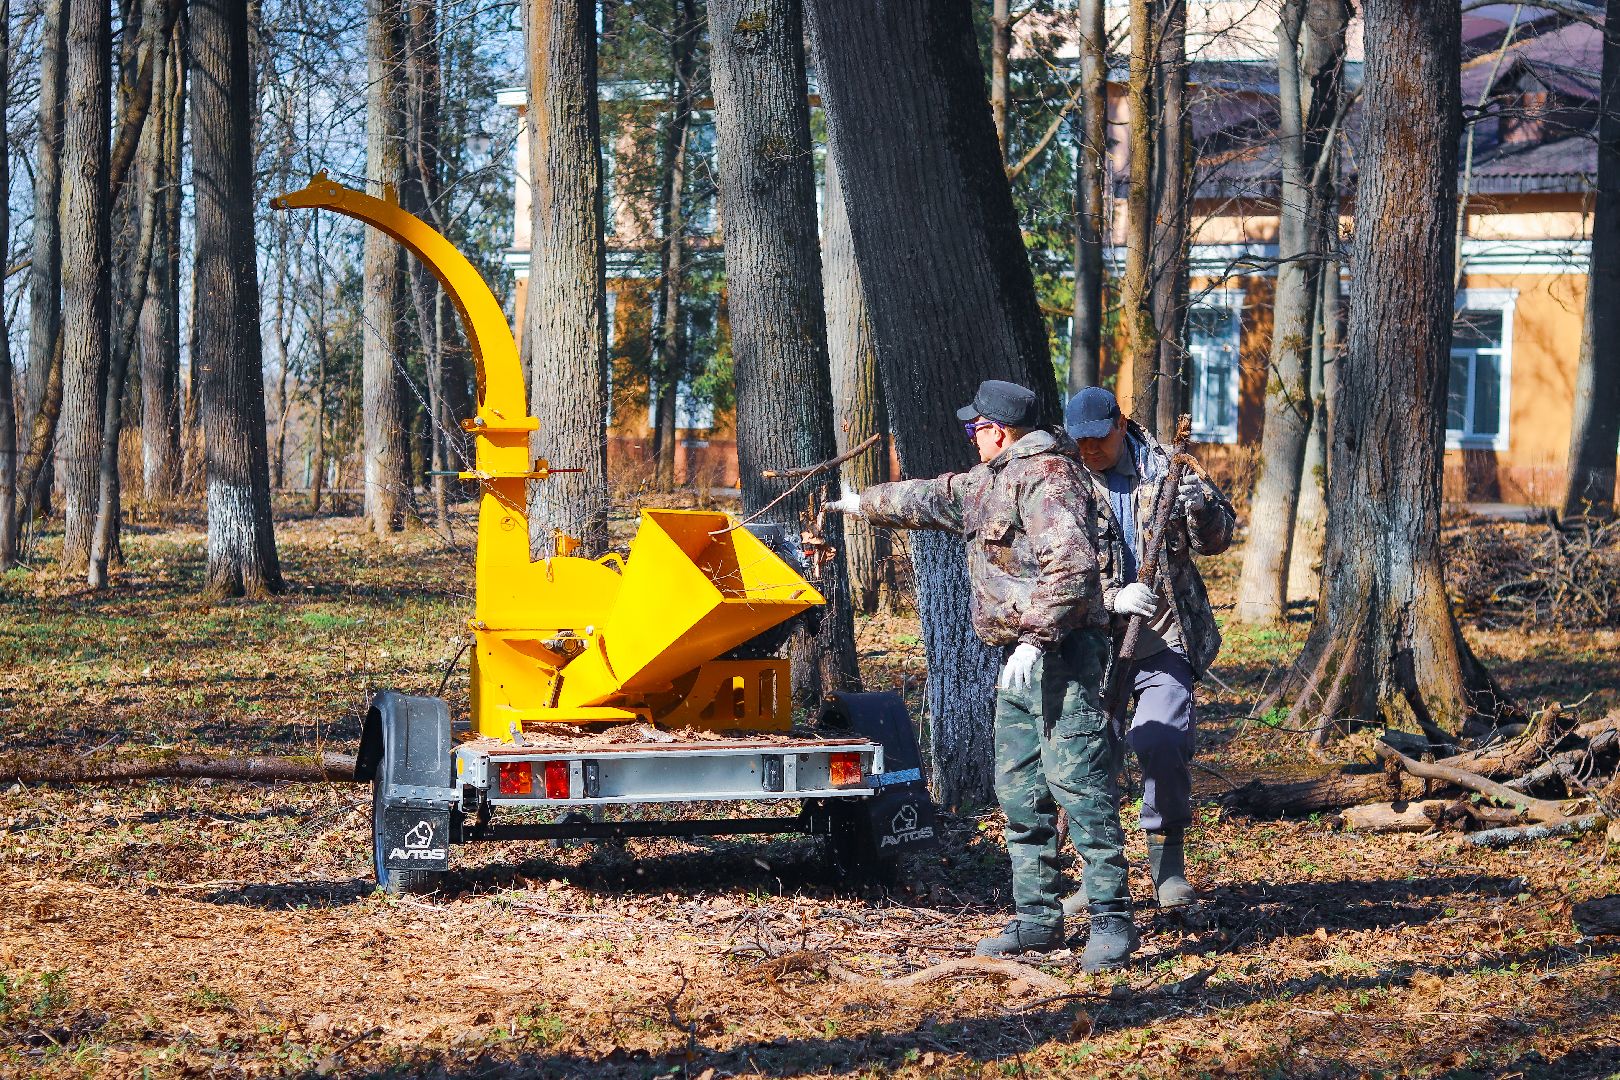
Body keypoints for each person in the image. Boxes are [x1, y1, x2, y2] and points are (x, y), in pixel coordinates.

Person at [827, 379, 1137, 971]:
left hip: (1063, 656)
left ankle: (1110, 921)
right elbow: (929, 498)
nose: (972, 437)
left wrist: (1038, 637)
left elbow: (1072, 569)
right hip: (1021, 662)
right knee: (1020, 788)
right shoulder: (990, 481)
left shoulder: (1049, 478)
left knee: (1080, 784)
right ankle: (1038, 918)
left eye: (976, 428)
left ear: (998, 430)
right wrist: (859, 502)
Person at [1061, 386, 1235, 911]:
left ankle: (1168, 869)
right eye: (1079, 442)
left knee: (1161, 739)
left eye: (1096, 439)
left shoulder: (1168, 469)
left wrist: (1200, 511)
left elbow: (1219, 539)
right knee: (1090, 758)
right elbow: (1057, 567)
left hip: (1163, 637)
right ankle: (1097, 879)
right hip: (1095, 644)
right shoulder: (1064, 482)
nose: (1088, 451)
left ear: (1119, 425)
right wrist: (1111, 598)